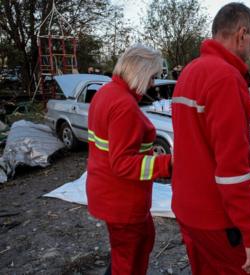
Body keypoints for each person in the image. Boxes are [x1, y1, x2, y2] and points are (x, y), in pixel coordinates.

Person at [171, 3, 250, 275]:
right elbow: (233, 170)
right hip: (217, 219)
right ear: (242, 34)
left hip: (187, 211)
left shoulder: (190, 72)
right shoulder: (225, 78)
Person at [86, 45, 173, 274]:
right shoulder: (123, 105)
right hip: (122, 201)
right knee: (128, 260)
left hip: (110, 195)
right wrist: (168, 164)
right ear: (140, 71)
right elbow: (122, 163)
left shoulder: (107, 92)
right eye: (152, 77)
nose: (153, 84)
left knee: (140, 243)